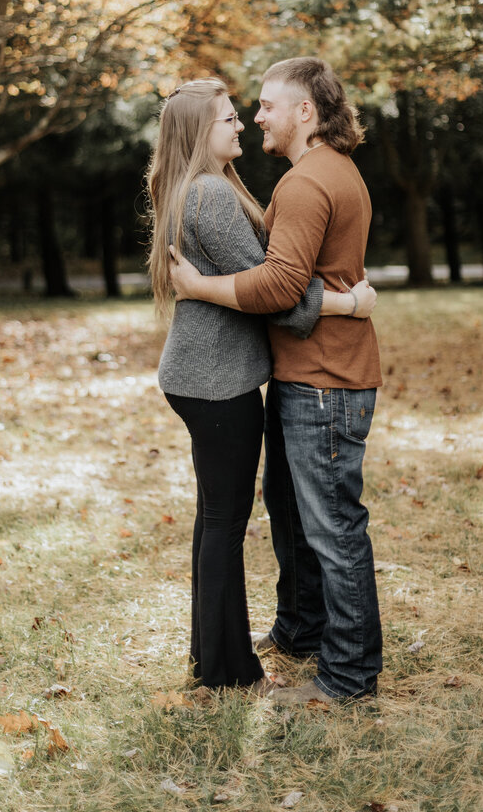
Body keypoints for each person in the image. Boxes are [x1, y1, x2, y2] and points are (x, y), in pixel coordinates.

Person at [146, 77, 374, 695]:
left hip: (205, 376)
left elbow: (265, 280)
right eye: (228, 118)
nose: (243, 123)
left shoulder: (199, 189)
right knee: (223, 520)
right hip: (217, 381)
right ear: (200, 132)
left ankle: (213, 656)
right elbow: (276, 295)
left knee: (215, 518)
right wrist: (347, 303)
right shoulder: (212, 197)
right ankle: (226, 671)